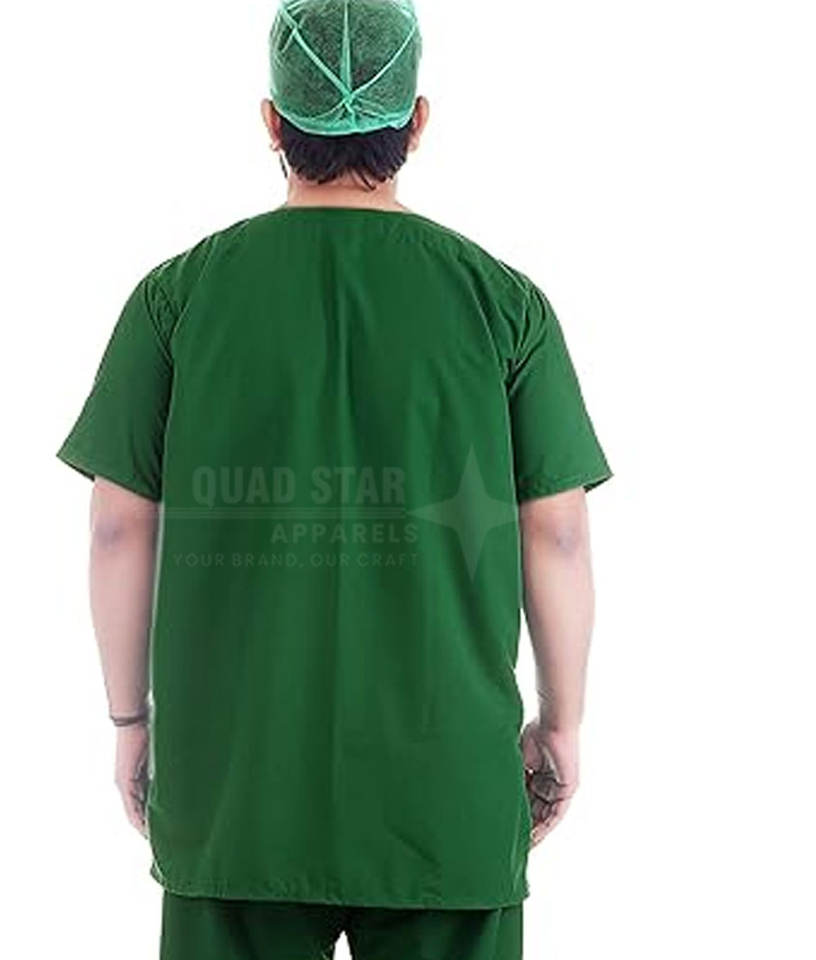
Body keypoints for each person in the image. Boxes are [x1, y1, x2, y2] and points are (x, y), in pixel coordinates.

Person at [56, 1, 611, 957]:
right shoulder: (504, 305)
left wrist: (129, 719)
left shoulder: (178, 298)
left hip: (236, 788)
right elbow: (556, 534)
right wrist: (560, 724)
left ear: (272, 122)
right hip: (445, 795)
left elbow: (116, 528)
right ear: (418, 122)